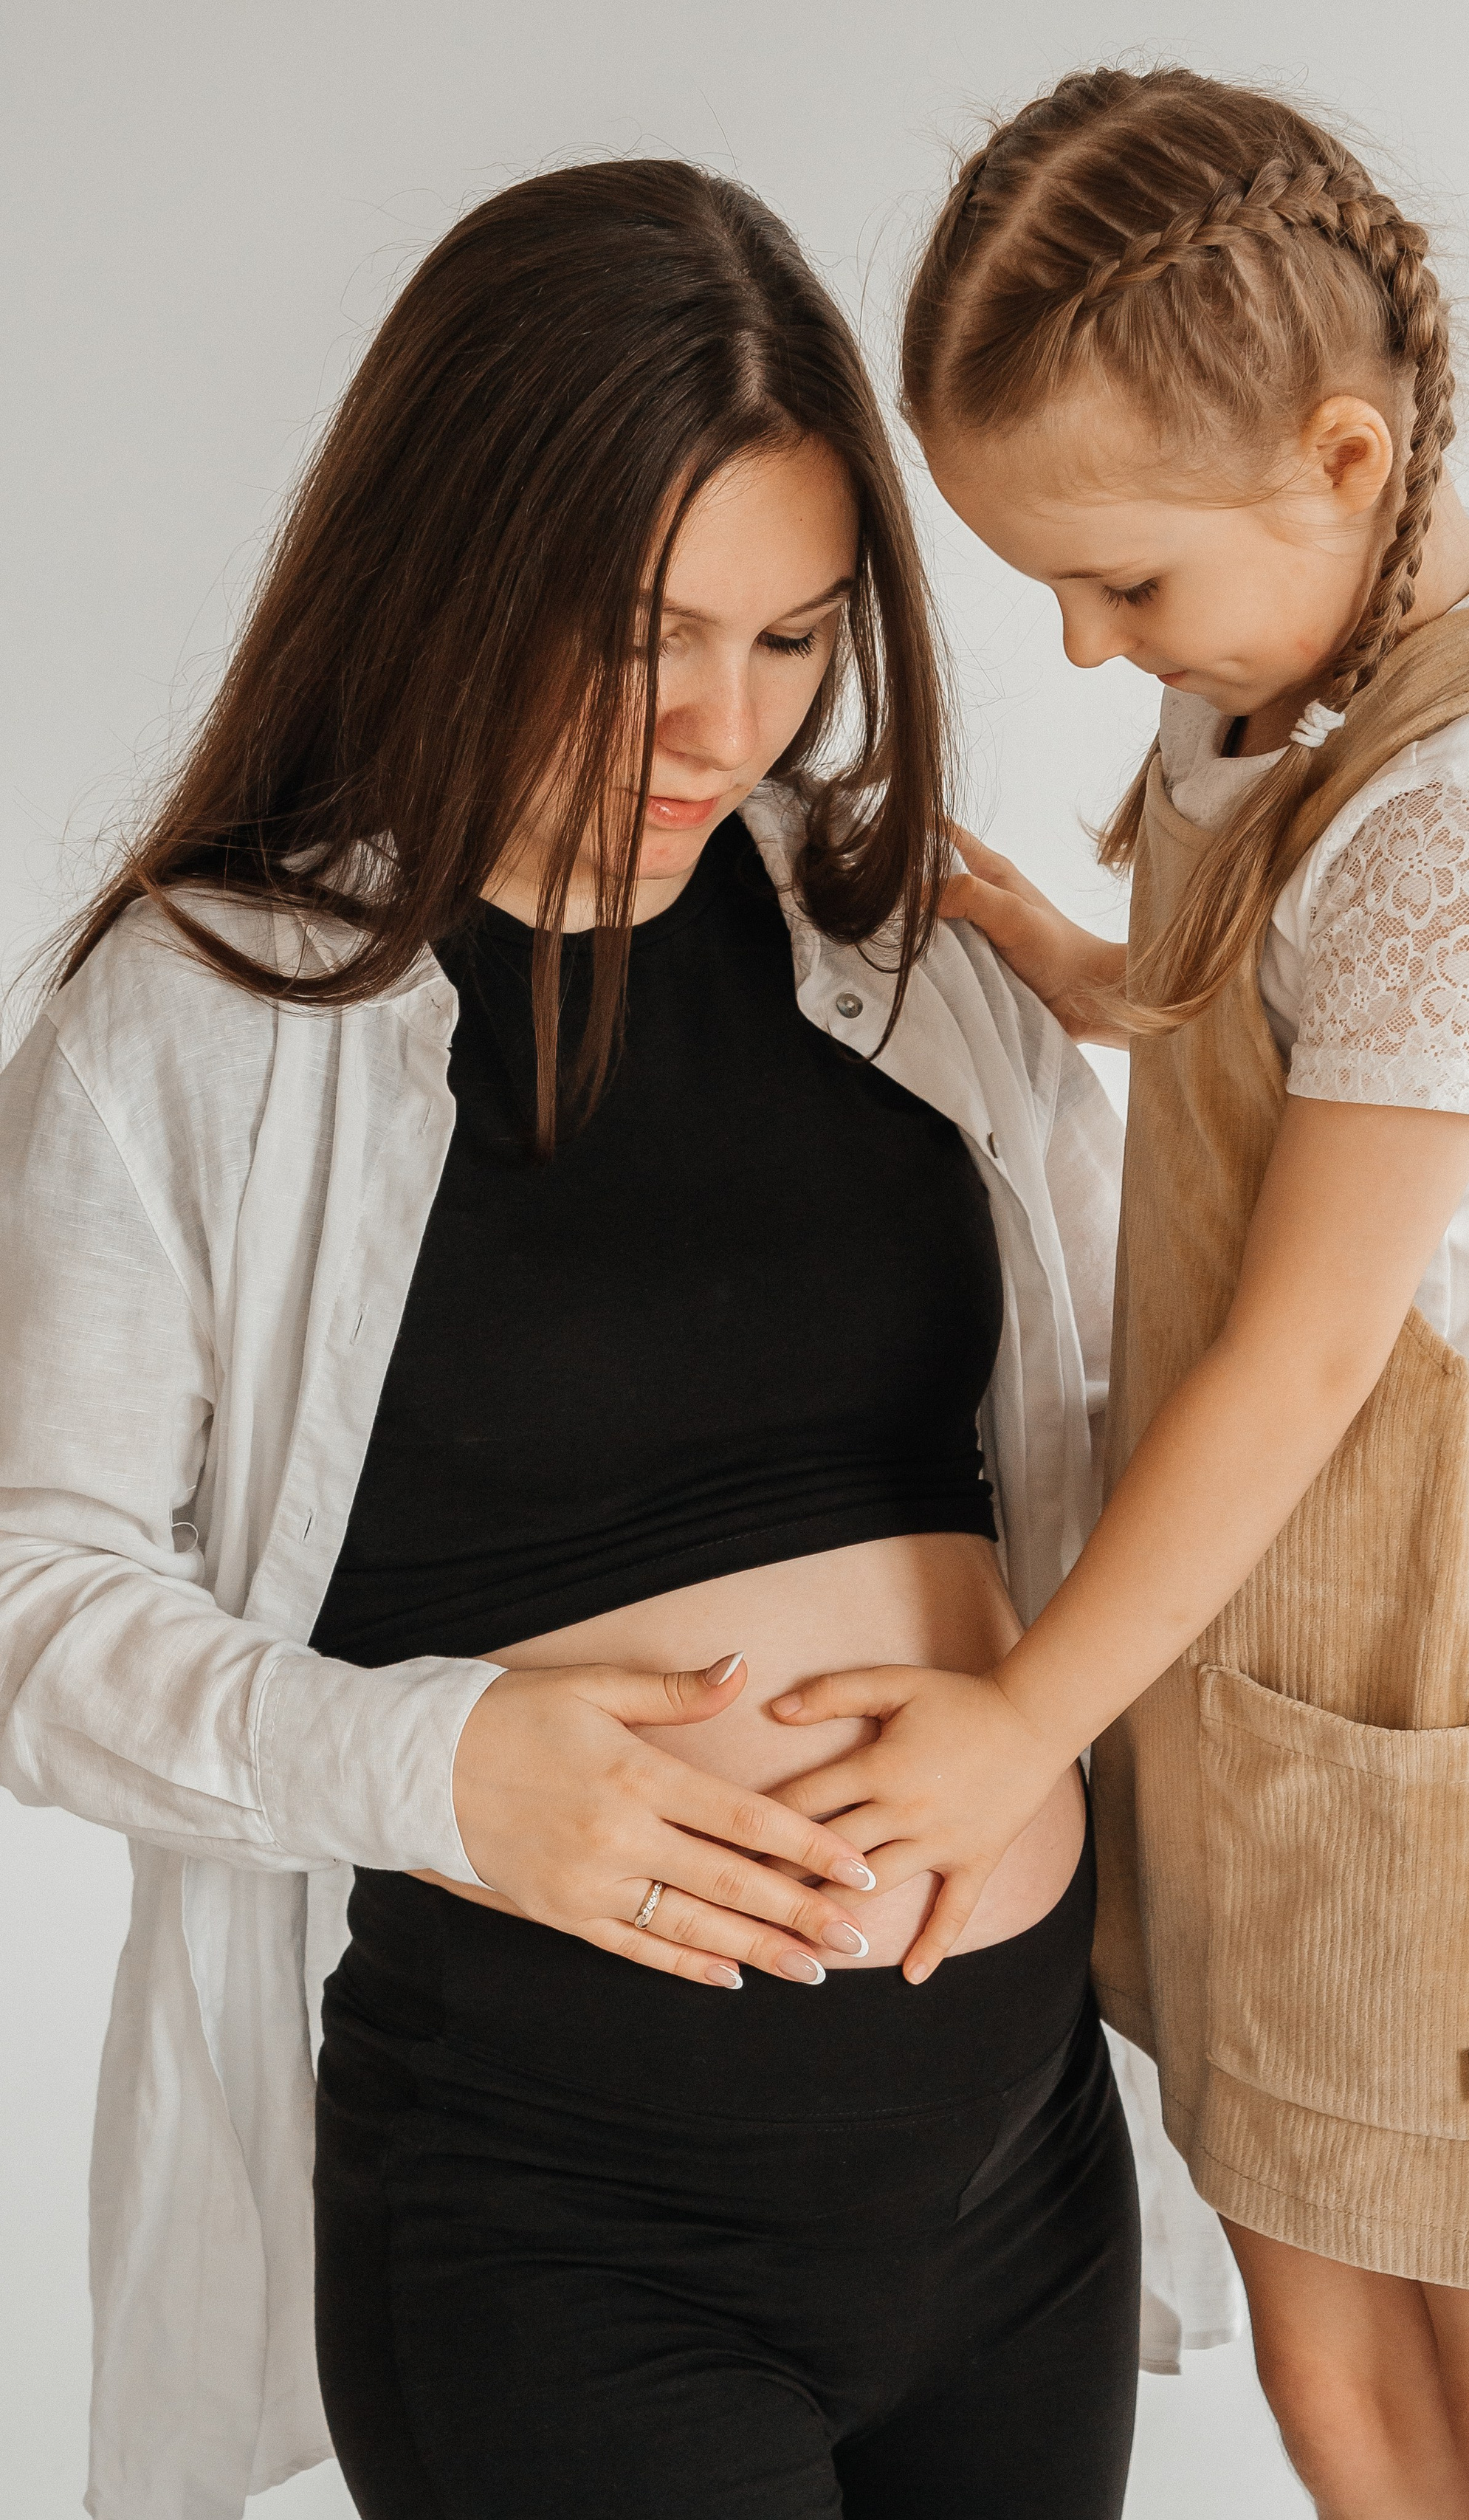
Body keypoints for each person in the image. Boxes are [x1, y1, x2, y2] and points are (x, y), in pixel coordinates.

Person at [0, 161, 1160, 2520]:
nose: (713, 729)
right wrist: (443, 1771)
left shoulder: (907, 958)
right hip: (561, 2237)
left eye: (791, 639)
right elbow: (31, 1604)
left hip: (1017, 2186)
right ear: (445, 562)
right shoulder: (206, 1020)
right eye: (637, 632)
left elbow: (1171, 1433)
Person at [768, 68, 1469, 2520]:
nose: (1094, 650)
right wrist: (1070, 955)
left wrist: (1020, 1728)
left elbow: (1316, 1345)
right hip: (1294, 1725)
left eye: (1123, 582)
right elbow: (1264, 1023)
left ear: (1342, 456)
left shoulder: (1457, 812)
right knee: (1350, 2417)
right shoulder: (1294, 689)